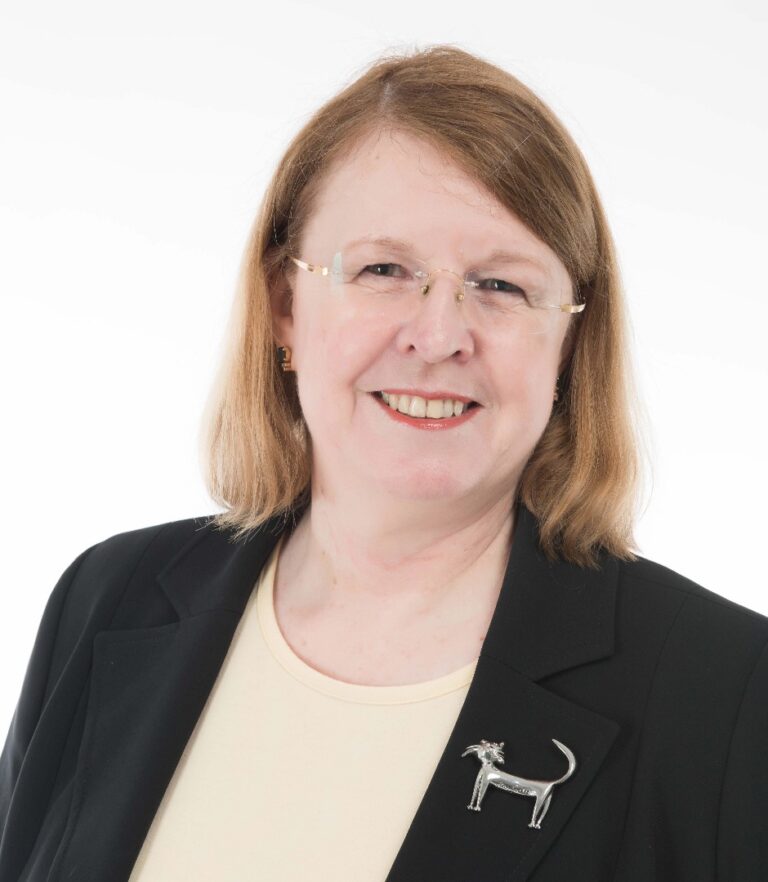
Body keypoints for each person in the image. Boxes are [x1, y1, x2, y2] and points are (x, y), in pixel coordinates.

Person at [1, 44, 766, 882]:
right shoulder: (107, 600)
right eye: (383, 269)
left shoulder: (728, 696)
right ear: (284, 306)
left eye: (502, 286)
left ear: (570, 343)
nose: (438, 337)